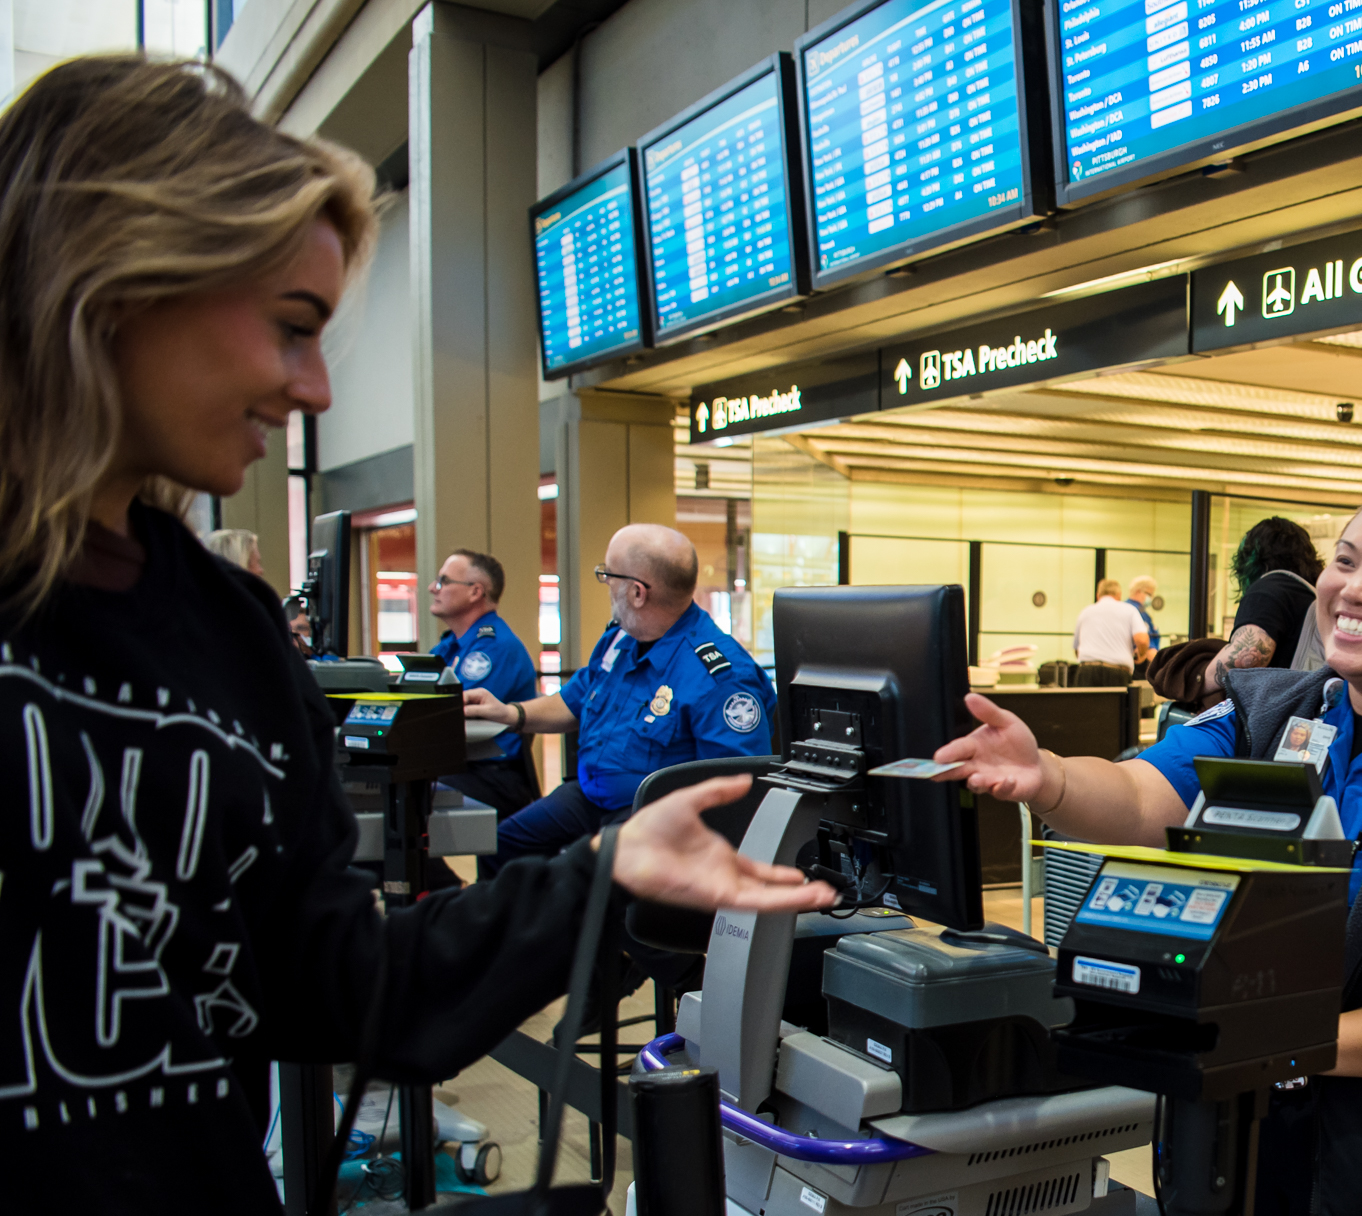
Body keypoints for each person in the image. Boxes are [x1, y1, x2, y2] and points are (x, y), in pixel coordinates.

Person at [0, 58, 832, 1214]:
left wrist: (597, 877)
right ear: (124, 283)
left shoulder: (233, 643)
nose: (316, 388)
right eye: (291, 326)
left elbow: (347, 987)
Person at [935, 478, 1362, 1213]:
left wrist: (1285, 1046)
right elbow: (1143, 797)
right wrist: (1048, 776)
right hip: (1228, 1137)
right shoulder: (1267, 717)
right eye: (1345, 561)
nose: (1355, 589)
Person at [465, 522, 777, 875]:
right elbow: (576, 698)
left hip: (650, 816)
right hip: (589, 797)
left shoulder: (719, 676)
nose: (606, 584)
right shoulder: (621, 639)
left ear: (637, 593)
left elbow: (735, 793)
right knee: (500, 844)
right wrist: (510, 713)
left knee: (575, 878)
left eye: (607, 575)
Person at [427, 547, 540, 818]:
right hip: (463, 768)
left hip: (492, 777)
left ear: (475, 592)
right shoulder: (450, 647)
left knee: (401, 803)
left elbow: (449, 718)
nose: (433, 588)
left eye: (444, 581)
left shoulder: (495, 648)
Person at [1214, 516, 1324, 672]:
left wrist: (1198, 679)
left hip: (1281, 696)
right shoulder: (1312, 595)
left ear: (1252, 558)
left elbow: (1245, 658)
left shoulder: (1266, 591)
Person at [1071, 577, 1148, 686]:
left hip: (1086, 672)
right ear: (1119, 595)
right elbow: (1142, 640)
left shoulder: (1085, 612)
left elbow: (1076, 649)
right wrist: (1141, 655)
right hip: (1116, 673)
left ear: (1098, 595)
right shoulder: (1129, 610)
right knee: (1115, 703)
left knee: (1086, 703)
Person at [1125, 575, 1160, 678]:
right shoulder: (1132, 610)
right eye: (1149, 594)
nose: (1151, 598)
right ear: (1138, 591)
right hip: (1139, 664)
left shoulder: (1142, 612)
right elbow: (1142, 641)